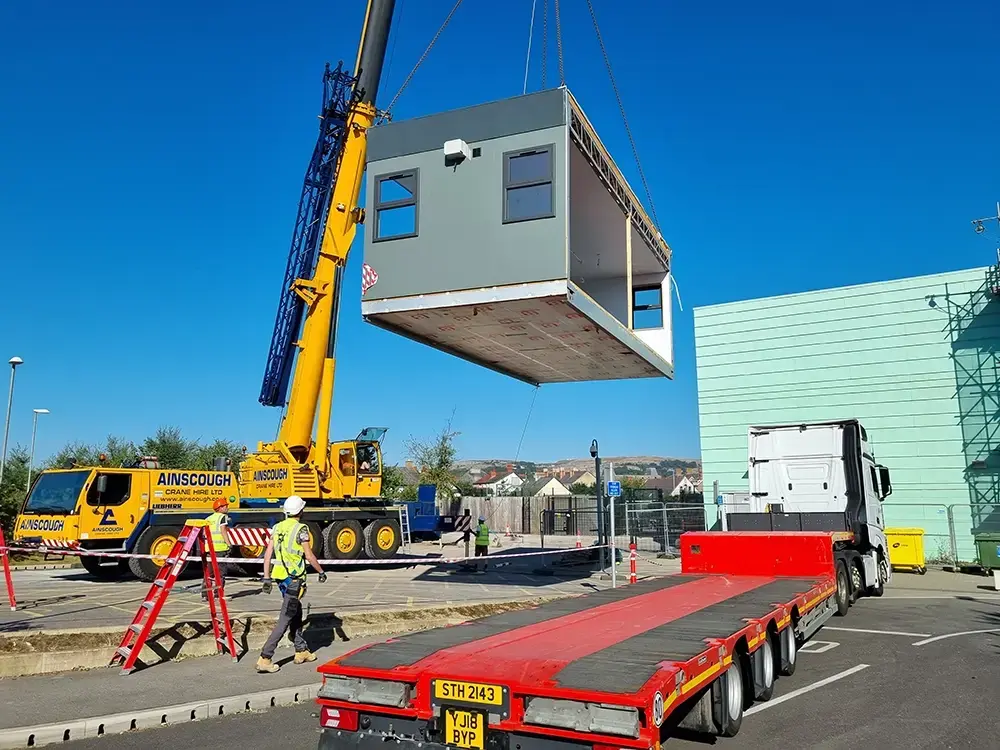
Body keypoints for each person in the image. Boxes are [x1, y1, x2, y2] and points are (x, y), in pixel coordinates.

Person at [256, 495, 327, 674]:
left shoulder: (277, 527)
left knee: (296, 611)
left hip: (280, 578)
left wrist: (266, 577)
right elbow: (309, 556)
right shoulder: (301, 529)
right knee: (286, 617)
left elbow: (267, 554)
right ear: (301, 511)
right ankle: (265, 656)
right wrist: (321, 571)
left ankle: (301, 650)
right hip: (294, 580)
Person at [202, 496, 233, 601]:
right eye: (225, 506)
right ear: (220, 508)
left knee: (209, 573)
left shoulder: (208, 518)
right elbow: (223, 530)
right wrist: (229, 544)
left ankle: (205, 595)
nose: (227, 507)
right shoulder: (222, 517)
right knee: (220, 573)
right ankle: (218, 594)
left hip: (209, 549)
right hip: (220, 549)